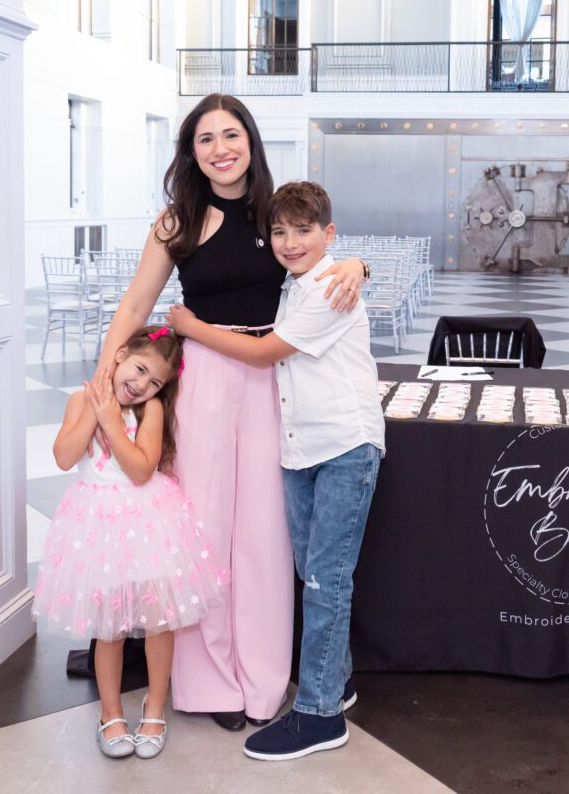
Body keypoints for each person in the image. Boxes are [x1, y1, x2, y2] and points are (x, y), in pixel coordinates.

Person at [95, 94, 367, 732]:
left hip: (275, 375)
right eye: (206, 139)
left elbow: (320, 258)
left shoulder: (271, 212)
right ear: (191, 152)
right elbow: (138, 304)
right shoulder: (175, 222)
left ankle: (263, 679)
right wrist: (106, 373)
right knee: (205, 529)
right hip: (205, 379)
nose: (221, 149)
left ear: (251, 141)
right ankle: (210, 680)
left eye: (231, 134)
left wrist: (358, 261)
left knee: (266, 536)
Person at [166, 180, 385, 761]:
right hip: (304, 447)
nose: (289, 242)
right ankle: (336, 683)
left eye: (303, 231)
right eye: (279, 232)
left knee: (325, 580)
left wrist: (187, 327)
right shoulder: (297, 284)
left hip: (343, 445)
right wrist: (360, 263)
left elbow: (263, 353)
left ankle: (318, 716)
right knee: (315, 571)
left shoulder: (328, 292)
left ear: (329, 236)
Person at [32, 326, 221, 760]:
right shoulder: (82, 399)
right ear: (118, 356)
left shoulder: (150, 410)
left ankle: (154, 708)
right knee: (110, 627)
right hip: (97, 526)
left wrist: (113, 421)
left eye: (154, 381)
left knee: (159, 620)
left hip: (149, 522)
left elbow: (139, 471)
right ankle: (111, 713)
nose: (141, 385)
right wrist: (96, 411)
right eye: (138, 370)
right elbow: (64, 457)